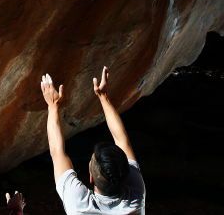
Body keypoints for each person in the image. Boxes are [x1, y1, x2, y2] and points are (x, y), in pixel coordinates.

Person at [40, 66, 146, 214]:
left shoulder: (78, 202)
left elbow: (57, 152)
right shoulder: (135, 197)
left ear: (90, 178)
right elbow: (122, 141)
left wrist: (53, 105)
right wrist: (104, 98)